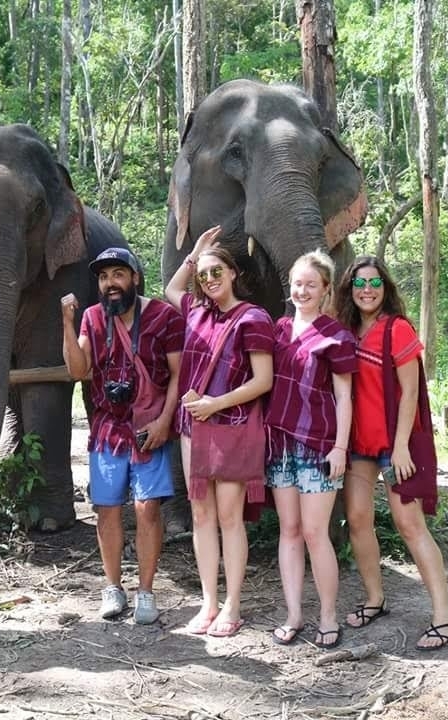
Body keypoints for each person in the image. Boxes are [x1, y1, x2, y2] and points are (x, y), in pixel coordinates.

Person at [334, 256, 448, 651]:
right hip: (358, 445)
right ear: (349, 289)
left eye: (374, 283)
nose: (366, 290)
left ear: (385, 288)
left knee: (410, 525)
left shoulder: (397, 329)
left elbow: (410, 392)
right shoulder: (347, 330)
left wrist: (402, 444)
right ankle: (375, 599)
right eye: (359, 283)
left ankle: (444, 618)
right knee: (356, 520)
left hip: (394, 446)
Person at [61, 247, 185, 625]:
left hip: (150, 426)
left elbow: (179, 374)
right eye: (102, 277)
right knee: (106, 509)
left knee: (147, 509)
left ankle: (146, 591)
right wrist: (67, 323)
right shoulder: (94, 319)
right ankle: (113, 587)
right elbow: (78, 370)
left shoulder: (164, 316)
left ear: (134, 277)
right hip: (107, 428)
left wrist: (166, 420)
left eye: (117, 274)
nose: (109, 284)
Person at [164, 226, 274, 638]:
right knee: (201, 515)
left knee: (230, 517)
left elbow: (262, 380)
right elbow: (171, 287)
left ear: (232, 274)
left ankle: (233, 605)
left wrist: (216, 403)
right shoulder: (195, 310)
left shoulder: (254, 318)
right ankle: (208, 602)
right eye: (204, 274)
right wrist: (195, 252)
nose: (209, 280)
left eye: (216, 272)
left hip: (232, 427)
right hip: (194, 429)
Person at [264, 251, 356, 649]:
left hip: (319, 445)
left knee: (317, 533)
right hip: (279, 444)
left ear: (325, 290)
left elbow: (345, 397)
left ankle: (329, 616)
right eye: (297, 283)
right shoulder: (279, 329)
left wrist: (340, 447)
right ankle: (294, 614)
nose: (301, 291)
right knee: (290, 531)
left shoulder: (336, 336)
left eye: (310, 285)